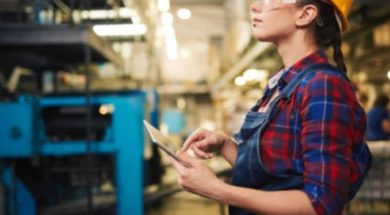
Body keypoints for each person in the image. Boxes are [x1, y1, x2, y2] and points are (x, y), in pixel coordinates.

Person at [169, 0, 372, 214]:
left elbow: (321, 204)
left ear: (305, 14)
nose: (255, 6)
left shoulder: (322, 85)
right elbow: (272, 174)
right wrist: (224, 145)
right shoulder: (280, 83)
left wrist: (216, 189)